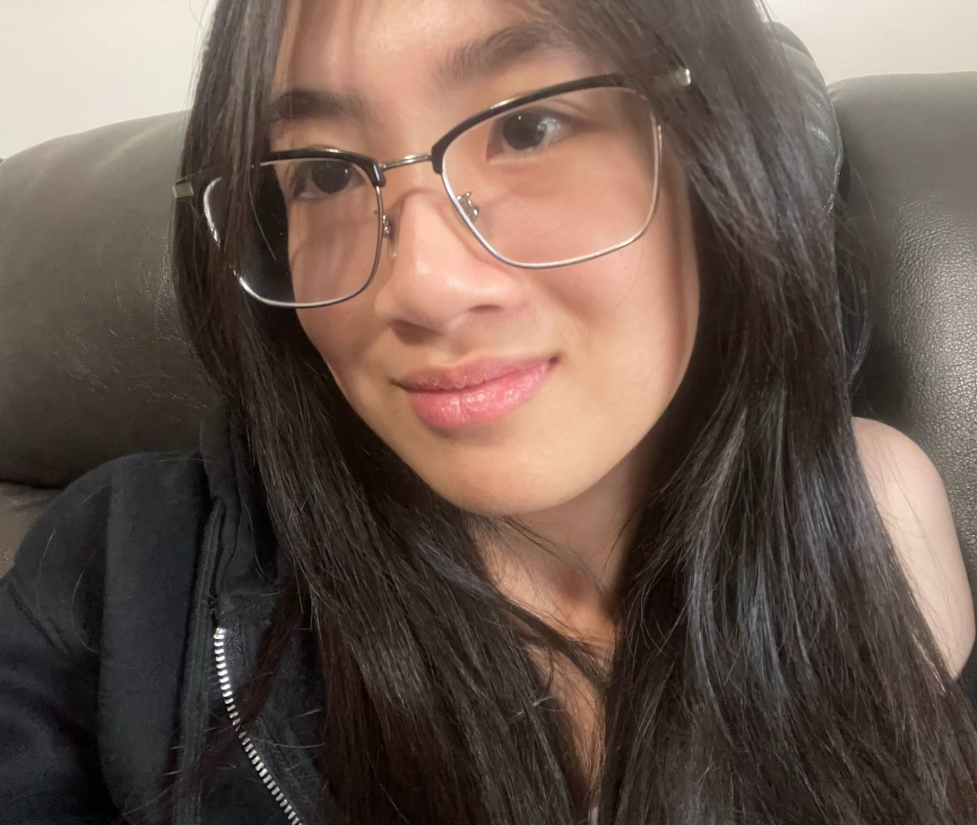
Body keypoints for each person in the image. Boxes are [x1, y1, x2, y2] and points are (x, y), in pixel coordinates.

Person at [2, 0, 977, 822]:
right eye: (325, 173)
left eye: (529, 126)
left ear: (718, 143)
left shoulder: (874, 515)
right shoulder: (127, 568)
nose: (419, 287)